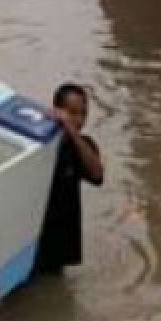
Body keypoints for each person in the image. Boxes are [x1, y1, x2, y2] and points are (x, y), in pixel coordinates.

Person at [34, 83, 104, 275]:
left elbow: (97, 175)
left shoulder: (82, 146)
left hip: (58, 242)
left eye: (83, 114)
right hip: (32, 235)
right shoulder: (36, 143)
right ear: (57, 110)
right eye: (72, 113)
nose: (79, 120)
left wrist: (72, 131)